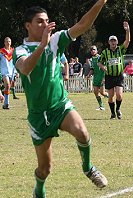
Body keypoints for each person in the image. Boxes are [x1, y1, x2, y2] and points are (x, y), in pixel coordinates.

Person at [13, 1, 108, 197]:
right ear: (27, 25)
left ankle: (88, 167)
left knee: (82, 132)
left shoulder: (55, 40)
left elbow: (82, 25)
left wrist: (101, 2)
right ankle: (39, 189)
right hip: (39, 115)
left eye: (47, 21)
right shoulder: (20, 50)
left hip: (60, 105)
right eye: (39, 22)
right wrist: (42, 45)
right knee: (44, 169)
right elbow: (25, 68)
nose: (45, 25)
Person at [99, 21, 130, 119]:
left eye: (114, 41)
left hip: (119, 75)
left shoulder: (120, 50)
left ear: (117, 42)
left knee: (119, 95)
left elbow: (127, 41)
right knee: (111, 96)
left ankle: (118, 109)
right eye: (111, 41)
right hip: (109, 76)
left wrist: (127, 30)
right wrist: (103, 67)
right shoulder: (105, 52)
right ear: (109, 42)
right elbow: (99, 62)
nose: (113, 42)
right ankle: (112, 113)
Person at [87, 45, 108, 110]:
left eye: (94, 49)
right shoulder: (92, 59)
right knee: (95, 92)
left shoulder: (101, 57)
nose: (92, 51)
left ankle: (110, 97)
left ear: (97, 50)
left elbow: (105, 67)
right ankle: (101, 106)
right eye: (91, 50)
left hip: (102, 77)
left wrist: (105, 77)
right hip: (96, 78)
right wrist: (89, 75)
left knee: (102, 93)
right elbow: (92, 69)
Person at [0, 37, 16, 109]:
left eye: (9, 41)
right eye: (6, 41)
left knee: (8, 87)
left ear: (11, 42)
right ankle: (7, 104)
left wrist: (16, 72)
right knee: (8, 85)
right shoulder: (1, 51)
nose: (8, 43)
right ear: (4, 42)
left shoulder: (13, 51)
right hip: (4, 71)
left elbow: (15, 62)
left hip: (12, 71)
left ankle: (5, 103)